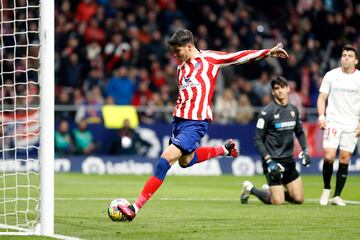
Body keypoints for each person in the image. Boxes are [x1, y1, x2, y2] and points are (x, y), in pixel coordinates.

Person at [118, 29, 289, 221]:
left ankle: (135, 207)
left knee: (164, 160)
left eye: (178, 51)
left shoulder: (210, 59)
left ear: (189, 46)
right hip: (179, 121)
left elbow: (239, 56)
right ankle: (224, 150)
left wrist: (268, 52)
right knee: (185, 161)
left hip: (196, 122)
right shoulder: (180, 69)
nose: (175, 55)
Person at [241, 76, 311, 205]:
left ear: (288, 89)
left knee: (299, 199)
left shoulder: (293, 110)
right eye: (276, 88)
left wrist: (305, 150)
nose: (280, 91)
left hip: (288, 160)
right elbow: (257, 139)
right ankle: (251, 189)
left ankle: (271, 190)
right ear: (273, 92)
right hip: (272, 160)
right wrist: (268, 160)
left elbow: (299, 132)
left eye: (282, 87)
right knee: (278, 202)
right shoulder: (266, 112)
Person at [317, 45, 360, 206]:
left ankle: (337, 196)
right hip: (333, 121)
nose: (346, 57)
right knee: (329, 156)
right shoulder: (331, 75)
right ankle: (326, 188)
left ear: (356, 60)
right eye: (344, 55)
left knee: (345, 158)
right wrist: (322, 116)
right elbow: (322, 98)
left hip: (352, 123)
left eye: (349, 55)